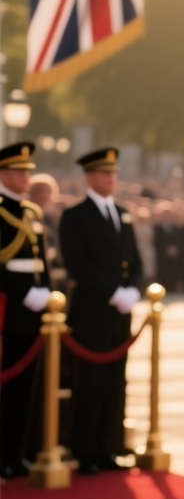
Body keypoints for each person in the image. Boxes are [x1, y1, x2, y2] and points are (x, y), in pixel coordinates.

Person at [57, 148, 143, 474]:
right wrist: (113, 292)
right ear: (90, 176)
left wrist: (134, 288)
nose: (112, 178)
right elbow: (77, 264)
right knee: (90, 383)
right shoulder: (76, 215)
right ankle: (86, 449)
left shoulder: (123, 213)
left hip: (120, 312)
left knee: (114, 382)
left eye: (114, 173)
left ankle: (109, 447)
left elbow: (135, 260)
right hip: (93, 311)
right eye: (106, 174)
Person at [0, 143, 49, 480]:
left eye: (28, 171)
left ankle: (16, 454)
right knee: (6, 388)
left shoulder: (32, 212)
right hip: (7, 309)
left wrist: (45, 290)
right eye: (20, 171)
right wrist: (26, 292)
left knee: (26, 390)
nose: (26, 176)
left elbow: (41, 259)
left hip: (34, 309)